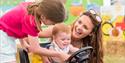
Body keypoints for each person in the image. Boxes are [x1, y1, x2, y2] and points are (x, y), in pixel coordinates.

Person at [0, 0, 67, 63]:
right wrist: (59, 54)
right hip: (3, 39)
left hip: (5, 35)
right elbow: (35, 49)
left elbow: (17, 25)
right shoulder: (31, 21)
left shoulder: (33, 7)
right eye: (53, 22)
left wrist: (23, 42)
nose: (53, 25)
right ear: (44, 17)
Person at [37, 9, 103, 63]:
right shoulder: (60, 30)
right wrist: (44, 55)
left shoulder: (87, 49)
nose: (79, 27)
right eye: (79, 22)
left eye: (85, 27)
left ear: (91, 33)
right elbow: (31, 36)